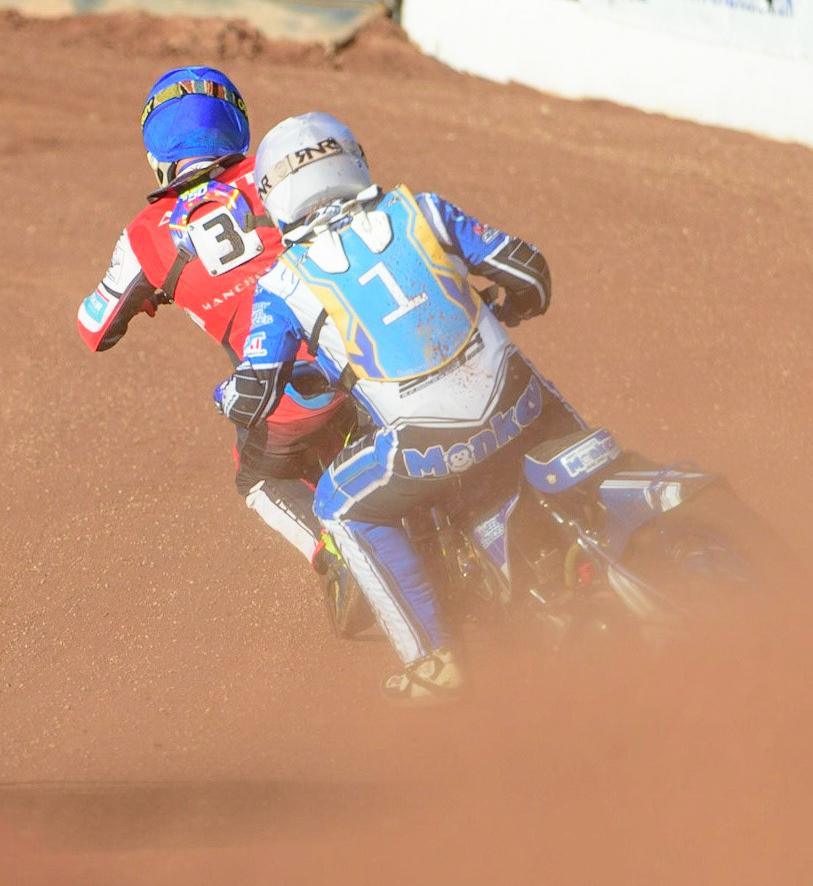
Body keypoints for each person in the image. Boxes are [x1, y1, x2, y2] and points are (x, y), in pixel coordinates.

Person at [215, 114, 579, 702]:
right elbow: (530, 275)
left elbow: (255, 393)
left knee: (339, 504)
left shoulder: (283, 284)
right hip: (524, 408)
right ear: (352, 158)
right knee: (533, 382)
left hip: (429, 446)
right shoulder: (423, 209)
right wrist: (505, 310)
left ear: (273, 197)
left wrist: (228, 395)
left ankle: (434, 661)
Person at [77, 67, 362, 621]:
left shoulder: (143, 235)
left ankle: (333, 555)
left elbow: (94, 329)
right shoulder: (275, 169)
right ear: (237, 127)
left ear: (156, 152)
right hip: (363, 348)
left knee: (255, 474)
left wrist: (154, 291)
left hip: (281, 398)